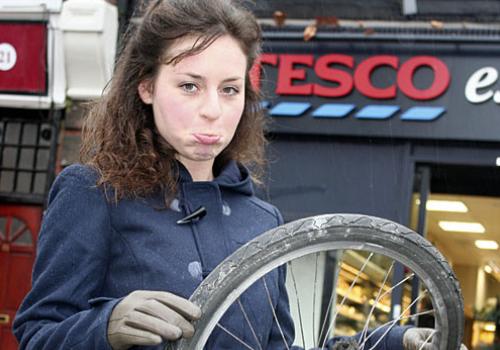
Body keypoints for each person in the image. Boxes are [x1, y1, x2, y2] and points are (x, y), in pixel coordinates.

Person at [13, 0, 454, 349]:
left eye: (230, 89)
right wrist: (105, 326)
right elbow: (37, 334)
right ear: (146, 87)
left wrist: (387, 341)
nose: (212, 109)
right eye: (190, 85)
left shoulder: (261, 219)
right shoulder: (93, 192)